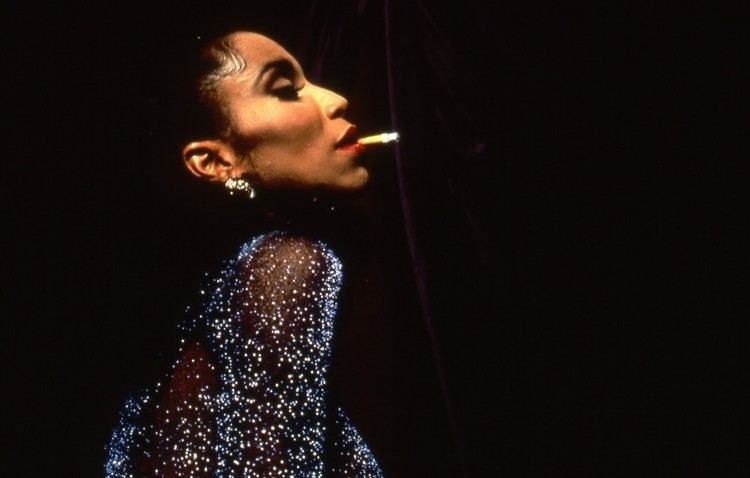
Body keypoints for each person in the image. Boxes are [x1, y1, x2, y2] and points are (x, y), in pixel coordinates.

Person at [105, 31, 384, 477]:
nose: (336, 100)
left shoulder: (227, 290)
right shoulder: (288, 265)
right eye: (285, 90)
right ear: (214, 161)